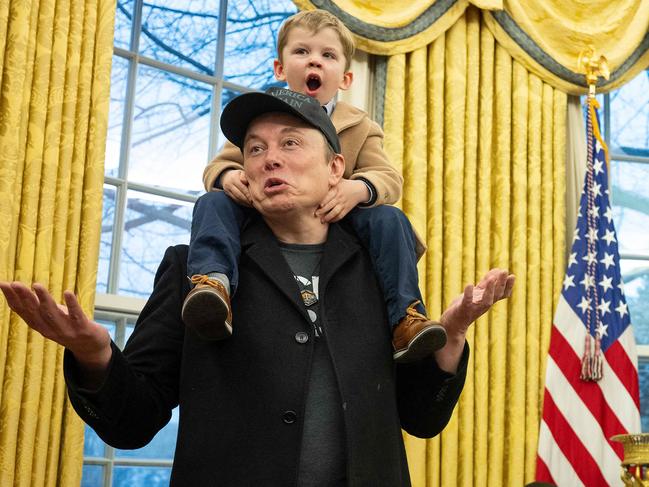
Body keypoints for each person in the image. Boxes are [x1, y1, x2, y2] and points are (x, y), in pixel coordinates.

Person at [0, 89, 515, 486]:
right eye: (255, 148)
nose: (270, 158)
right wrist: (95, 357)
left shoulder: (377, 270)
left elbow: (421, 418)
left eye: (291, 143)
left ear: (337, 168)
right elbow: (133, 422)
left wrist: (450, 337)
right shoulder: (192, 270)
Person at [184, 9, 446, 363]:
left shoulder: (359, 124)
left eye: (328, 55)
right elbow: (219, 165)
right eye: (302, 52)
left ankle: (405, 316)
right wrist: (229, 178)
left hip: (339, 216)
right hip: (271, 212)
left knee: (390, 219)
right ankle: (213, 285)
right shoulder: (261, 121)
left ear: (346, 78)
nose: (315, 62)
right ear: (280, 69)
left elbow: (388, 178)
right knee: (213, 203)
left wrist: (358, 189)